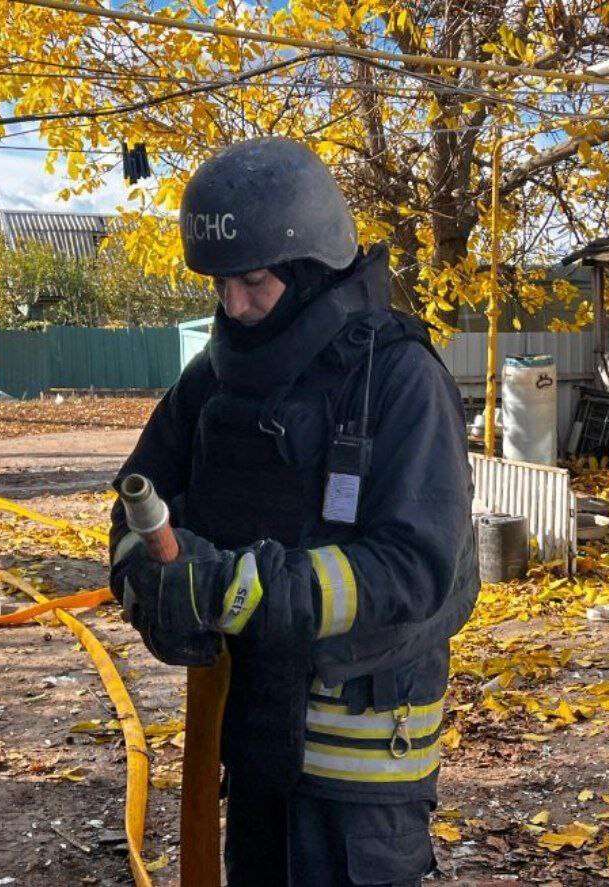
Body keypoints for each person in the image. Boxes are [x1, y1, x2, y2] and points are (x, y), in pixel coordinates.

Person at [110, 136, 479, 885]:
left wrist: (232, 589)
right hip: (250, 737)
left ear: (310, 269)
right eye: (219, 285)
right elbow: (132, 504)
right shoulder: (213, 381)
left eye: (251, 281)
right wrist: (151, 590)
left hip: (360, 770)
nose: (234, 307)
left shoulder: (399, 378)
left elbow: (416, 566)